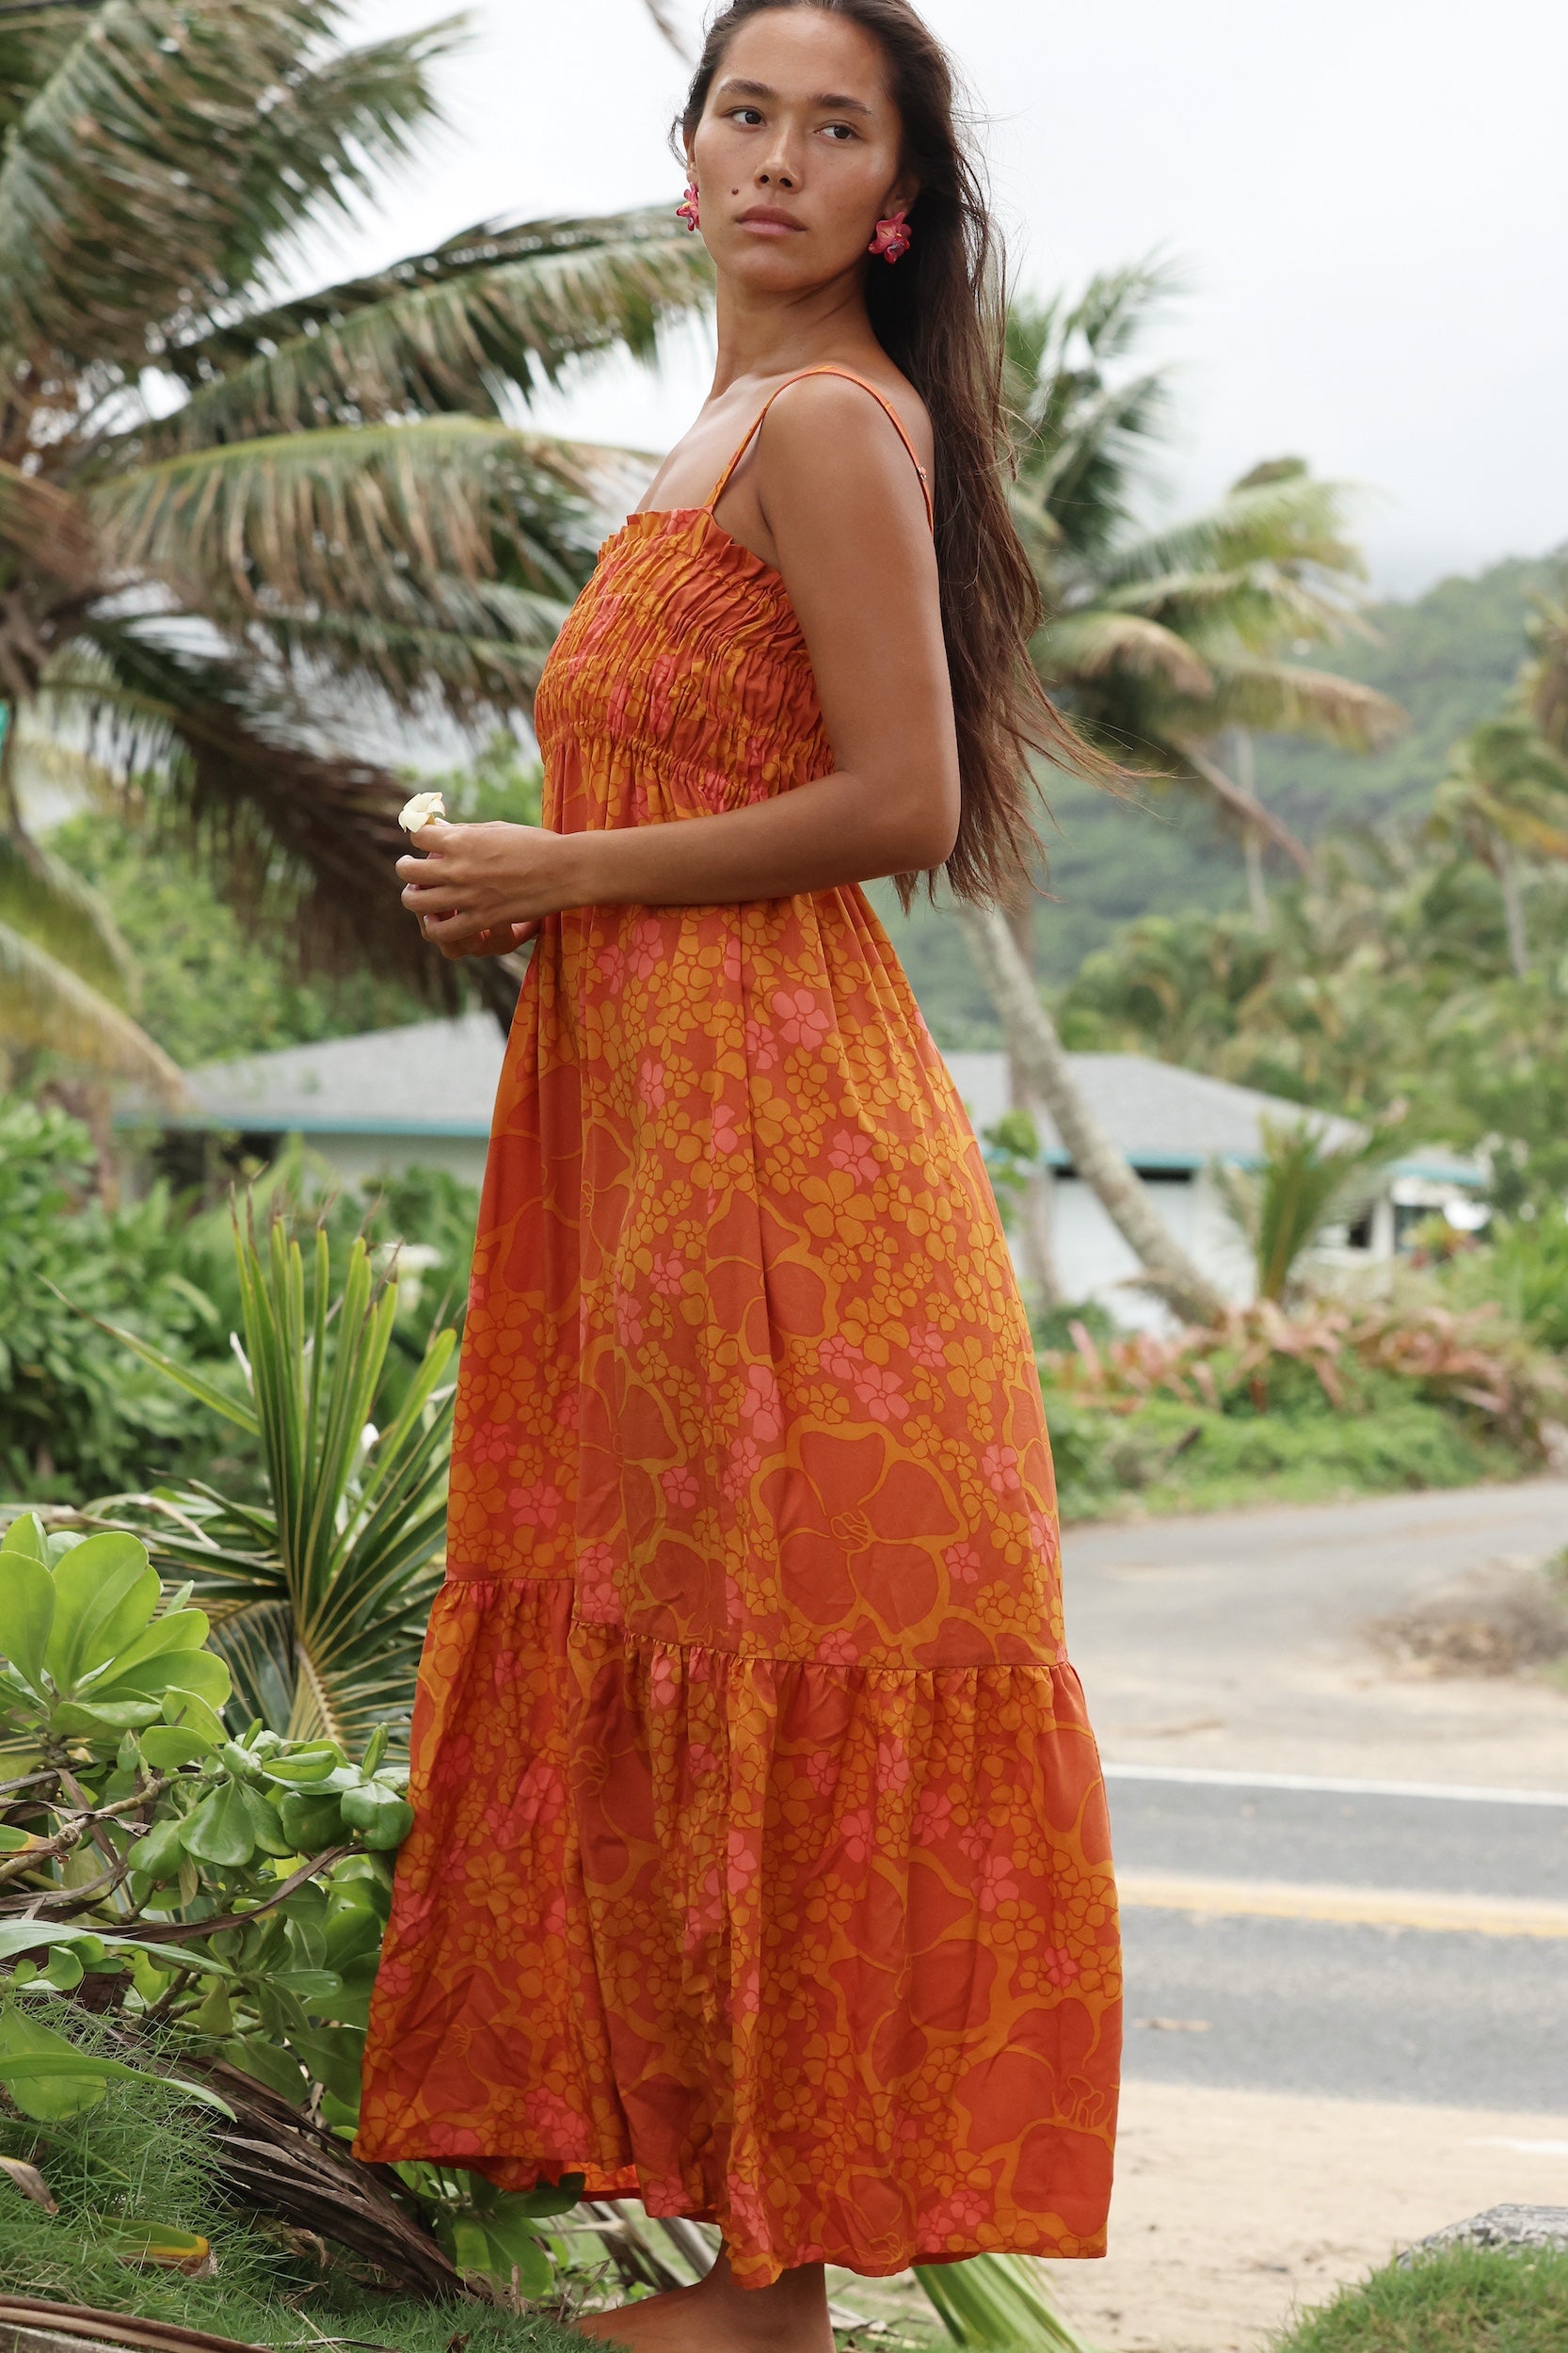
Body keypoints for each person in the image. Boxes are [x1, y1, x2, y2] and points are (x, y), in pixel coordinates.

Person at [355, 3, 1122, 2346]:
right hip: (667, 1141)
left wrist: (554, 877)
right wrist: (534, 882)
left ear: (890, 199)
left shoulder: (818, 425)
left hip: (786, 1149)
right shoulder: (718, 433)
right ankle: (738, 2276)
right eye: (742, 112)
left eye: (832, 129)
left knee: (773, 1644)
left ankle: (756, 2293)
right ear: (684, 159)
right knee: (680, 1626)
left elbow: (902, 806)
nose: (776, 156)